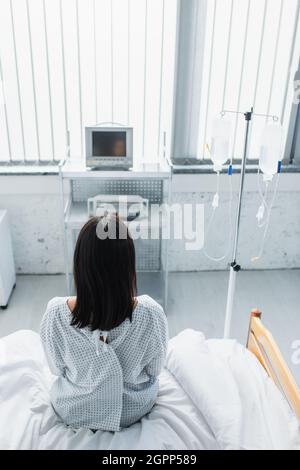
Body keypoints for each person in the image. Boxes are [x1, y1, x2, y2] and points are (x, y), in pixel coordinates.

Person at [40, 215, 168, 431]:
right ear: (128, 266)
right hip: (130, 411)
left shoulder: (55, 315)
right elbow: (155, 370)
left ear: (80, 264)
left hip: (74, 410)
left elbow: (56, 370)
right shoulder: (151, 314)